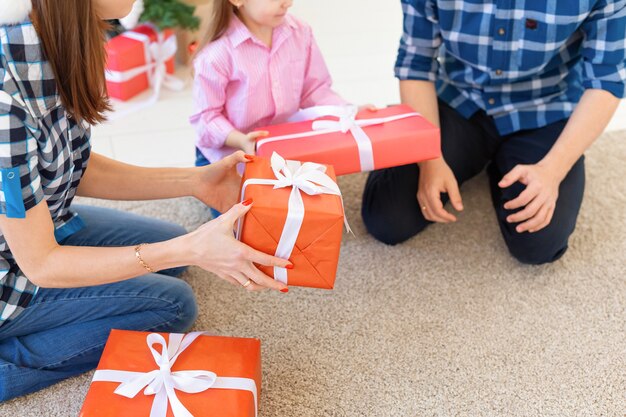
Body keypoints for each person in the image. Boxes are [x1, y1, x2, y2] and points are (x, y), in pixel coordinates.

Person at [0, 0, 290, 401]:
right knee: (173, 305)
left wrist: (195, 181)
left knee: (174, 255)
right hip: (13, 270)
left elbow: (77, 165)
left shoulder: (65, 38)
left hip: (41, 221)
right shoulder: (7, 91)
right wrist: (188, 247)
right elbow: (42, 264)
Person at [362, 0, 625, 264]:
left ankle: (500, 163)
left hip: (545, 107)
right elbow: (416, 63)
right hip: (459, 99)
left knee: (539, 242)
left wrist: (553, 170)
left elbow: (606, 80)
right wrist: (430, 159)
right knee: (387, 218)